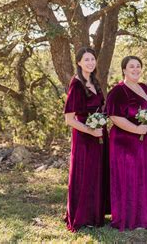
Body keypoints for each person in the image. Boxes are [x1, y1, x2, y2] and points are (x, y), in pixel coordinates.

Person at [104, 56, 147, 231]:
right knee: (128, 179)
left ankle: (145, 217)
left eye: (138, 66)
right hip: (125, 143)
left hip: (146, 142)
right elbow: (114, 117)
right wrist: (137, 130)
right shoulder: (118, 91)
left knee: (144, 177)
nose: (135, 69)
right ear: (124, 70)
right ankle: (128, 219)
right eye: (131, 66)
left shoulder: (144, 88)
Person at [64, 46, 109, 232]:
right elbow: (69, 119)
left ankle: (95, 215)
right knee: (84, 173)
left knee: (96, 173)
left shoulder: (94, 82)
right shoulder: (77, 84)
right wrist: (90, 131)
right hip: (84, 137)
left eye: (92, 59)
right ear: (79, 62)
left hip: (98, 134)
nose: (90, 62)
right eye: (86, 59)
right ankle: (81, 216)